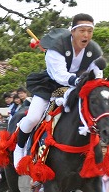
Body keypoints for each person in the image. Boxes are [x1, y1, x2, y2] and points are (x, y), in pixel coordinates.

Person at [13, 13, 103, 170]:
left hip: (76, 88)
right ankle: (19, 148)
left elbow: (97, 74)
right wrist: (77, 81)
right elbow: (60, 75)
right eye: (82, 30)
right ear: (73, 32)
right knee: (33, 117)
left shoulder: (93, 50)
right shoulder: (57, 47)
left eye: (90, 31)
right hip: (50, 86)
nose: (86, 35)